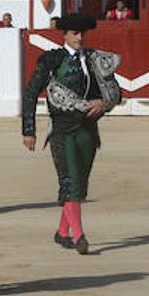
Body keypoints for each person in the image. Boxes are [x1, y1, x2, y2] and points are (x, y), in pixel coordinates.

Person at [20, 13, 122, 254]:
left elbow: (115, 92)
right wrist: (29, 130)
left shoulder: (95, 59)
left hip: (88, 129)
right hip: (62, 130)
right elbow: (31, 93)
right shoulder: (52, 60)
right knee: (70, 181)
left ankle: (62, 232)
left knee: (80, 184)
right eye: (75, 33)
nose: (80, 37)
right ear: (64, 35)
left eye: (82, 33)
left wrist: (103, 104)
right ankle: (80, 236)